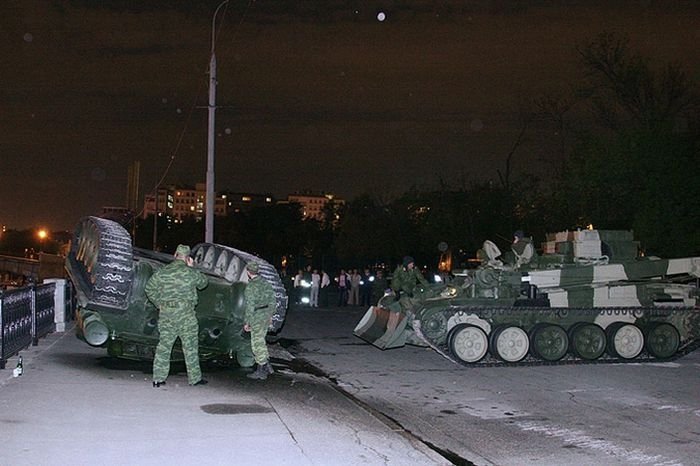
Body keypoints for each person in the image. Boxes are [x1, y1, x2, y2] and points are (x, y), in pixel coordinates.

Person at [145, 244, 209, 388]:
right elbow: (204, 283)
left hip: (167, 314)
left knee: (164, 346)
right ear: (187, 258)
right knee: (190, 347)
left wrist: (158, 303)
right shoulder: (191, 273)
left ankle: (158, 379)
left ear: (175, 255)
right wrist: (192, 267)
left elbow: (149, 288)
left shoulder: (163, 272)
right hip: (186, 315)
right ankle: (194, 379)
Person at [243, 261, 278, 380]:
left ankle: (261, 371)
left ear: (248, 272)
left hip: (256, 316)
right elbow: (273, 301)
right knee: (261, 340)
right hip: (265, 315)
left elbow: (250, 307)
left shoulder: (251, 286)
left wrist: (247, 322)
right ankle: (268, 365)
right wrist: (270, 315)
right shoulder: (266, 283)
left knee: (256, 344)